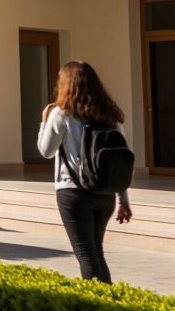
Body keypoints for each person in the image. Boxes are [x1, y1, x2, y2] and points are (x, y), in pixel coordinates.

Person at [38, 61, 133, 283]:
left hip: (73, 193)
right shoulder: (109, 116)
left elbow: (46, 151)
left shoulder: (61, 114)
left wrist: (44, 122)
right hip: (105, 193)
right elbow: (119, 159)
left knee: (85, 254)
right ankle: (110, 304)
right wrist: (123, 200)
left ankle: (97, 305)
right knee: (96, 252)